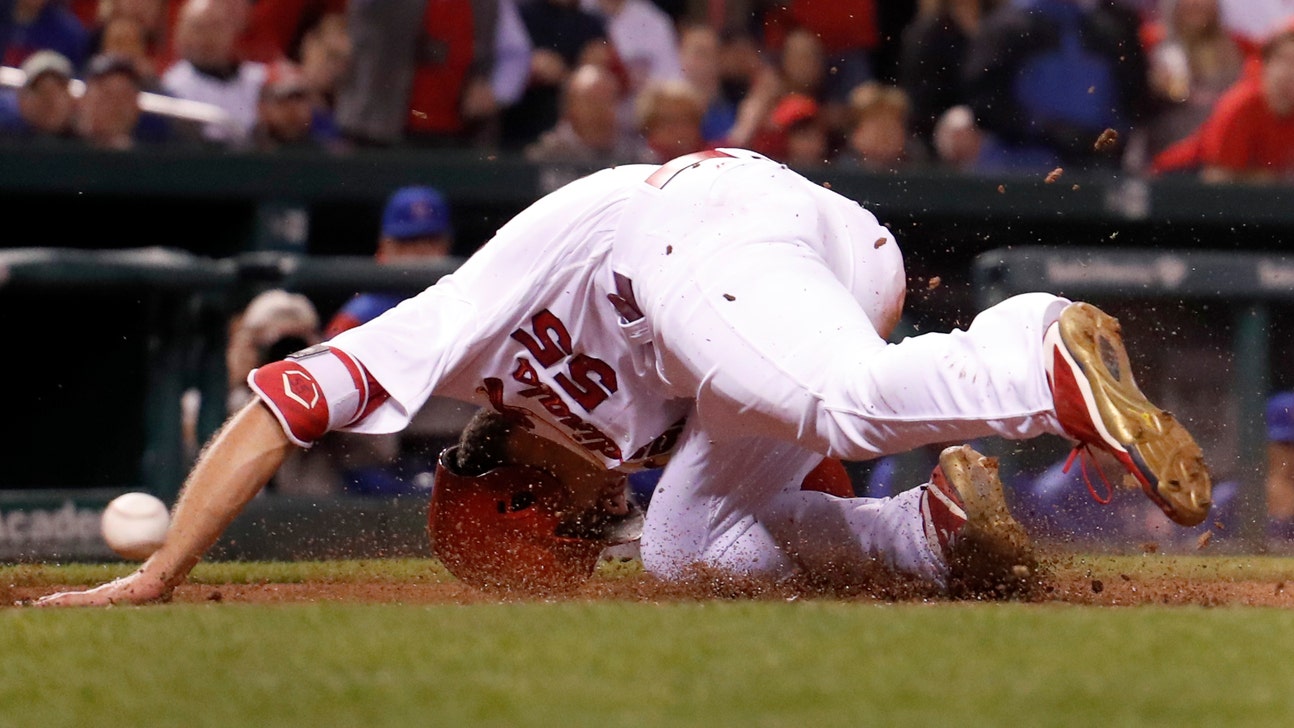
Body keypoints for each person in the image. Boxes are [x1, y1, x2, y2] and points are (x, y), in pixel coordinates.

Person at [35, 148, 1213, 607]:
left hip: (699, 236)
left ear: (519, 492)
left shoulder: (459, 341)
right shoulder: (586, 453)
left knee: (840, 394)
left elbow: (274, 409)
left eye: (564, 531)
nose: (597, 521)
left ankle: (1037, 352)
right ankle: (931, 530)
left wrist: (157, 571)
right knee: (688, 540)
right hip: (801, 264)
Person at [323, 186, 478, 496]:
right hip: (376, 458)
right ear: (385, 246)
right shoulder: (357, 316)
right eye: (408, 242)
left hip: (453, 447)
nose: (420, 254)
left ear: (446, 244)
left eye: (429, 241)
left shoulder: (470, 307)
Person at [0, 48, 75, 141]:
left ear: (71, 99)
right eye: (39, 89)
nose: (49, 100)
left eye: (57, 90)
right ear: (21, 99)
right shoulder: (7, 141)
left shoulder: (89, 144)